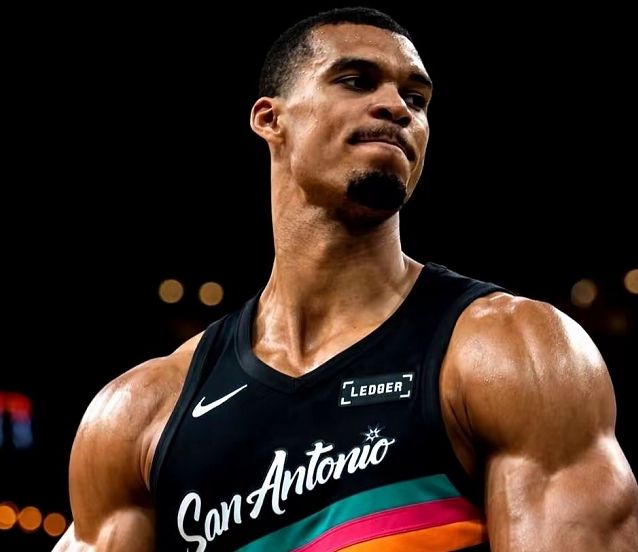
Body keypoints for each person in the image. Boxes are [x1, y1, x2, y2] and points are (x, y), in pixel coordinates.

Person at [53, 7, 637, 552]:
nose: (398, 107)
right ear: (270, 119)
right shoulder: (142, 412)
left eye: (416, 98)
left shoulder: (515, 350)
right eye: (357, 81)